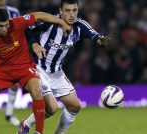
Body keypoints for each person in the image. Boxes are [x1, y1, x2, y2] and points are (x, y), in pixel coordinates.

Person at [17, 0, 110, 134]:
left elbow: (93, 34)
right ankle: (26, 124)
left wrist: (100, 39)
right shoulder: (49, 22)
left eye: (74, 10)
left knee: (75, 106)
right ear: (61, 11)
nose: (72, 14)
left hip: (57, 72)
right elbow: (27, 27)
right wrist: (34, 44)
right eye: (67, 10)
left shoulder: (79, 25)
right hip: (38, 69)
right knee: (52, 108)